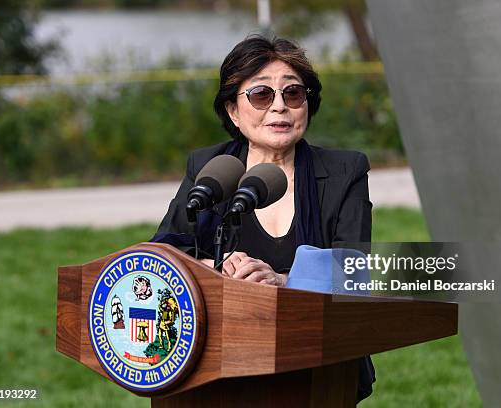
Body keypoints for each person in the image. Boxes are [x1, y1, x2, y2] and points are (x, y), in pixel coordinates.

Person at [152, 35, 375, 401]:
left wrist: (283, 281)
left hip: (317, 363)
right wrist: (215, 267)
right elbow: (163, 252)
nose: (279, 108)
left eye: (293, 94)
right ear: (233, 111)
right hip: (217, 362)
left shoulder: (345, 170)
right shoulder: (209, 168)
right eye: (260, 95)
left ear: (307, 104)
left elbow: (354, 267)